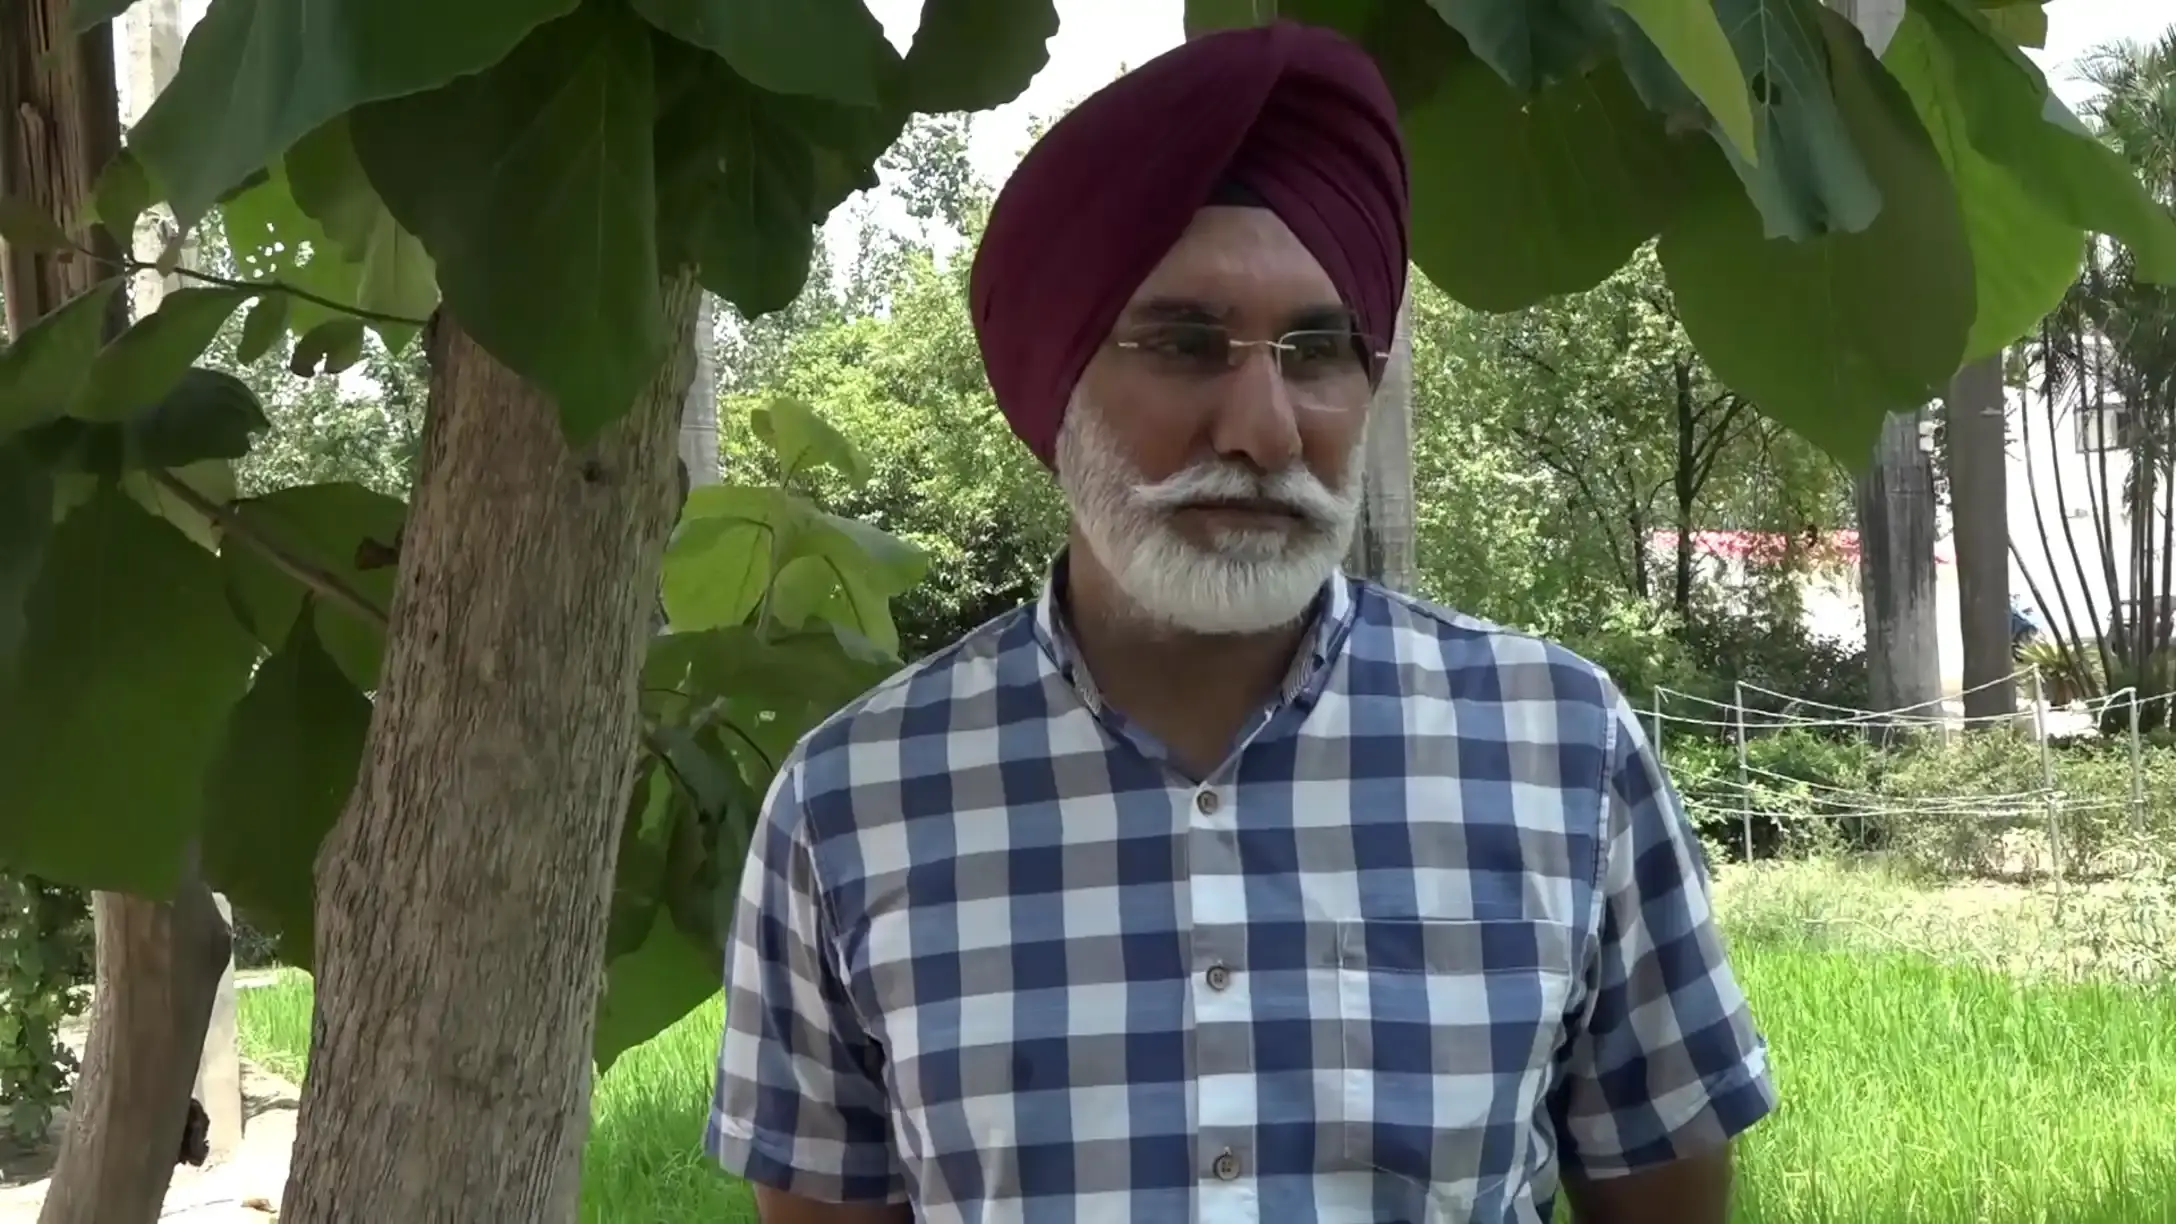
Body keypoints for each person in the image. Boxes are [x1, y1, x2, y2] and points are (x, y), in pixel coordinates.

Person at [708, 21, 1774, 1224]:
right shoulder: (855, 803)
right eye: (1183, 342)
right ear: (1054, 380)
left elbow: (1665, 1187)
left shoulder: (1560, 750)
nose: (1264, 429)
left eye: (1318, 349)